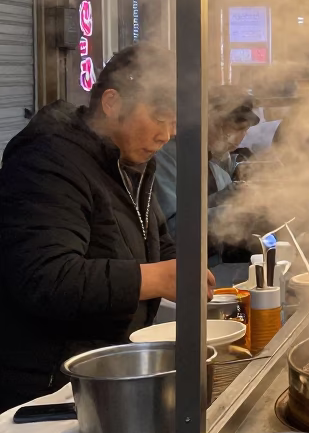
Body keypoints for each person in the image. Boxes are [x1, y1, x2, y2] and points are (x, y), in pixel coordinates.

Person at [0, 44, 215, 411]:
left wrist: (184, 268)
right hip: (50, 391)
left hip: (106, 373)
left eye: (176, 122)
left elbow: (155, 241)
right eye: (161, 118)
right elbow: (46, 277)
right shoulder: (47, 161)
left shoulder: (125, 158)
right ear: (112, 103)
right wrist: (158, 279)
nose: (167, 134)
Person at [153, 86, 261, 284]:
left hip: (214, 268)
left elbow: (204, 205)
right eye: (236, 128)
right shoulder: (166, 157)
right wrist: (235, 211)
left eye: (245, 130)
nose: (240, 137)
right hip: (180, 277)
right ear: (210, 121)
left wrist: (237, 194)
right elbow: (173, 230)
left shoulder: (214, 162)